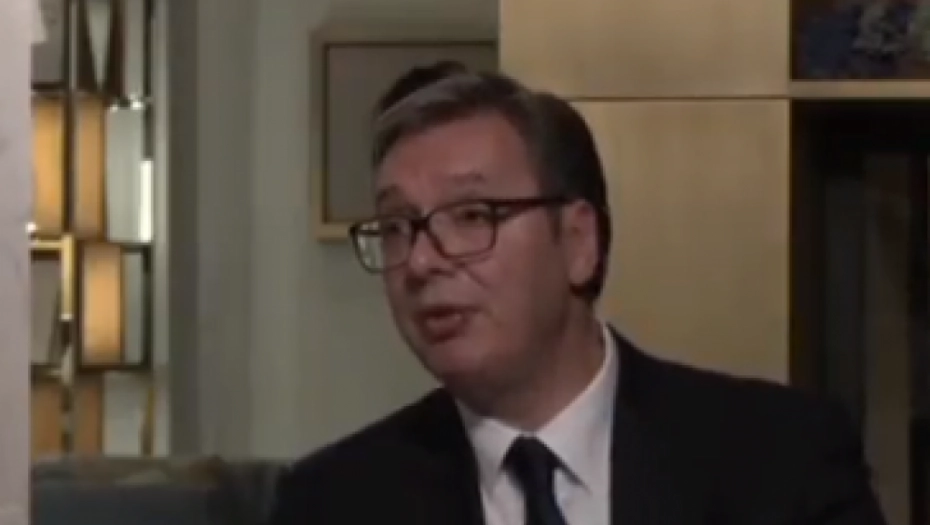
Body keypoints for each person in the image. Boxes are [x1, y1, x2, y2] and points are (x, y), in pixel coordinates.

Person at [269, 63, 887, 525]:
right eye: (397, 227)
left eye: (472, 215)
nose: (422, 261)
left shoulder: (779, 459)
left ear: (578, 241)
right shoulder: (332, 502)